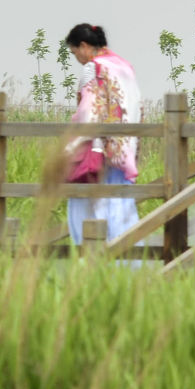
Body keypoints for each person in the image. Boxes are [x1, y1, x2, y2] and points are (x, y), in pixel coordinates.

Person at [62, 24, 140, 249]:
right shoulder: (125, 66)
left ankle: (95, 257)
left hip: (99, 150)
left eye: (75, 52)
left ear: (84, 46)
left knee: (91, 205)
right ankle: (128, 258)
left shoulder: (92, 67)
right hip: (125, 148)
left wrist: (73, 143)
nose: (77, 57)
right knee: (121, 205)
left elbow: (89, 111)